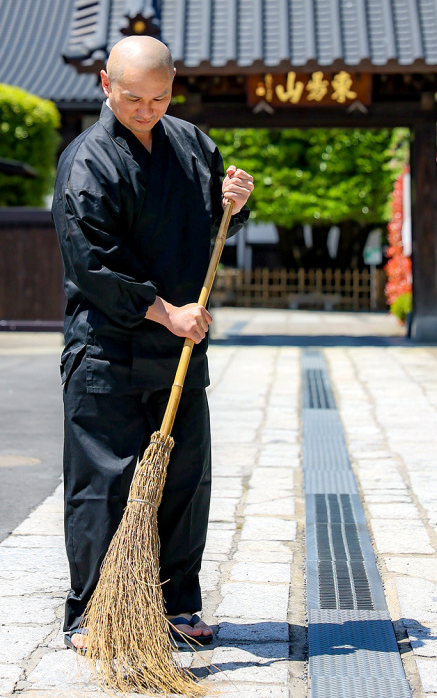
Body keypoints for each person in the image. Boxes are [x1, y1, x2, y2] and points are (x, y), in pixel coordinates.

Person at [51, 36, 254, 652]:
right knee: (103, 483)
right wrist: (166, 312)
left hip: (180, 349)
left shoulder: (193, 144)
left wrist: (237, 205)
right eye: (132, 97)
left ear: (174, 87)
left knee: (185, 480)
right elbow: (92, 263)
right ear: (105, 84)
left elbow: (216, 221)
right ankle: (93, 611)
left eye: (159, 97)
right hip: (108, 348)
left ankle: (175, 604)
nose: (145, 109)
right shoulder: (87, 162)